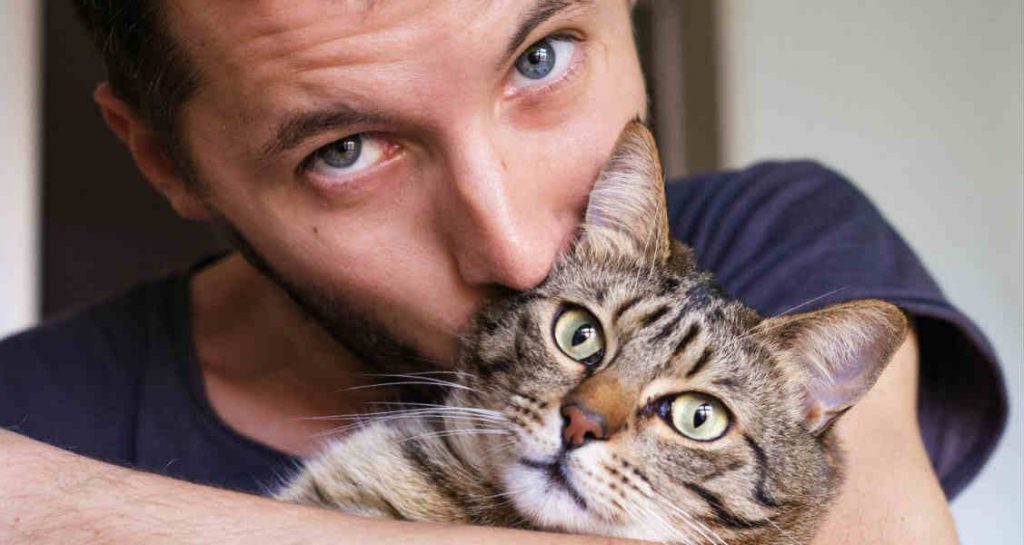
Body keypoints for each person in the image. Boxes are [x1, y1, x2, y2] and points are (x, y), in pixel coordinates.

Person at [0, 1, 1006, 543]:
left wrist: (46, 509)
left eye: (538, 57)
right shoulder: (30, 405)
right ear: (167, 162)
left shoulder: (779, 233)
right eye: (344, 148)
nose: (526, 257)